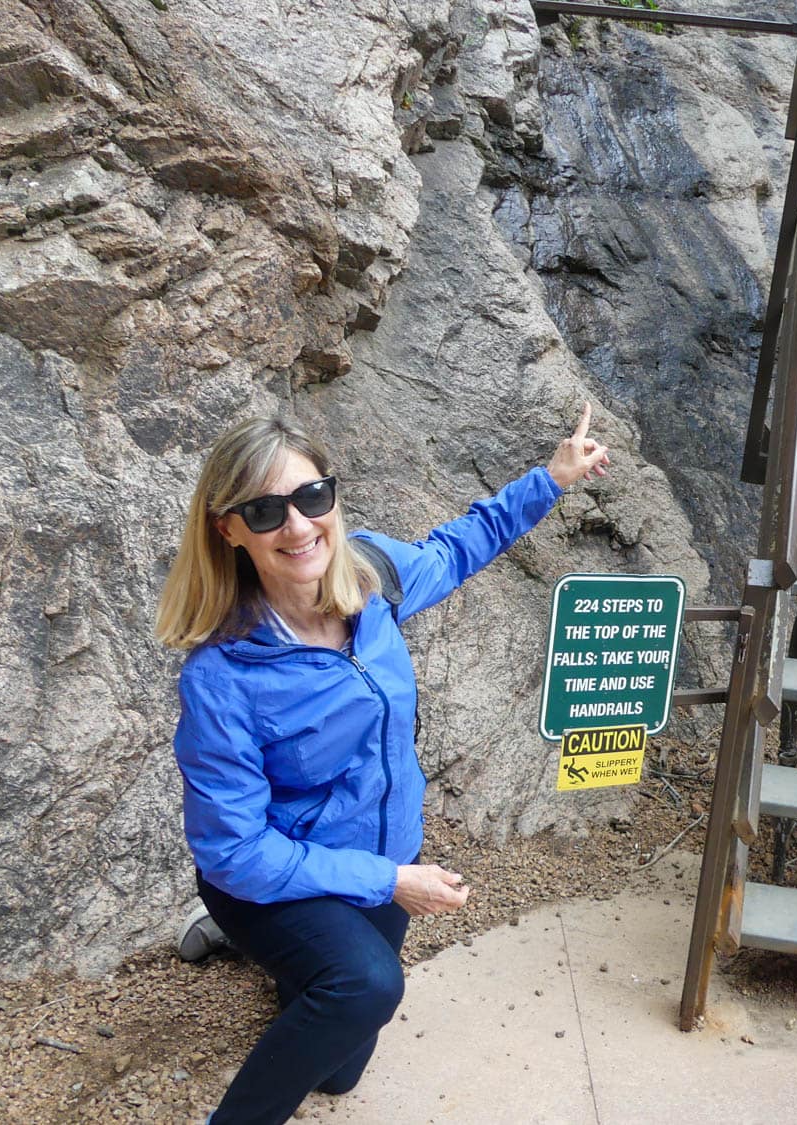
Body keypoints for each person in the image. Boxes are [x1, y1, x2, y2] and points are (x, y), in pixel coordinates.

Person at [155, 407, 610, 1124]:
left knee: (337, 1073)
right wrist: (392, 880)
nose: (299, 527)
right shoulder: (221, 676)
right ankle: (245, 952)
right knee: (366, 985)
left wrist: (551, 478)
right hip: (267, 877)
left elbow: (461, 545)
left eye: (311, 498)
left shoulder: (373, 578)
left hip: (378, 855)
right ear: (229, 527)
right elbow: (234, 847)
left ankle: (286, 958)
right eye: (266, 510)